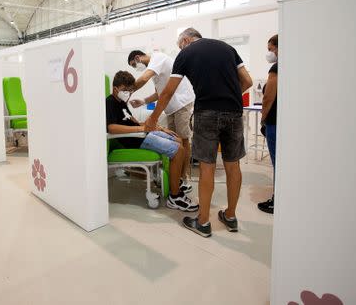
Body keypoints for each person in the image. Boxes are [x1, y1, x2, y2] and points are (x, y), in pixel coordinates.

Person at [145, 28, 253, 237]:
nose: (180, 48)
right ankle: (230, 216)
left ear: (185, 40)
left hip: (207, 114)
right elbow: (247, 81)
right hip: (234, 112)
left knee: (207, 167)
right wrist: (228, 97)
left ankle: (203, 222)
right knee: (233, 166)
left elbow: (167, 91)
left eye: (179, 45)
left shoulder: (185, 54)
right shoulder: (228, 49)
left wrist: (152, 118)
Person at [107, 71, 198, 212]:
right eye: (125, 90)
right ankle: (175, 197)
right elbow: (112, 128)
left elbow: (136, 123)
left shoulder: (122, 104)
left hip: (142, 133)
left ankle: (176, 183)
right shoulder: (110, 102)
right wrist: (141, 129)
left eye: (130, 91)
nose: (129, 94)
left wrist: (159, 128)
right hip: (135, 140)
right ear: (115, 89)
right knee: (178, 151)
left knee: (178, 140)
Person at [127, 50, 195, 193]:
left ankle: (184, 178)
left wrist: (128, 90)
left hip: (182, 103)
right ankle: (177, 177)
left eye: (134, 65)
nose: (136, 68)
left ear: (138, 57)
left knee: (183, 140)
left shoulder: (157, 58)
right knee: (175, 141)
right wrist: (143, 101)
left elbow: (143, 79)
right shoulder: (155, 68)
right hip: (170, 107)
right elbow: (160, 93)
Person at [258, 34, 278, 214]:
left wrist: (263, 118)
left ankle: (276, 200)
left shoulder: (276, 68)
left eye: (271, 50)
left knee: (277, 162)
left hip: (274, 121)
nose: (270, 53)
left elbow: (268, 97)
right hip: (284, 121)